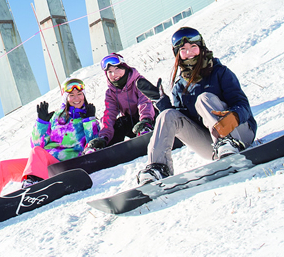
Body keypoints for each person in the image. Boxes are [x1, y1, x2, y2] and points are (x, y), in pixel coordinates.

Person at [137, 26, 258, 184]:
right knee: (166, 115)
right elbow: (183, 123)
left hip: (240, 133)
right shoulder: (179, 87)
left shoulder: (220, 72)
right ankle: (158, 167)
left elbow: (242, 104)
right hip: (212, 145)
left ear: (201, 48)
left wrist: (234, 116)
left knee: (204, 98)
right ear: (178, 54)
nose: (189, 53)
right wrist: (163, 104)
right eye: (184, 50)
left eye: (193, 47)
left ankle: (227, 141)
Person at [0, 77, 100, 208]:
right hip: (43, 164)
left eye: (79, 94)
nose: (76, 98)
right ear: (66, 97)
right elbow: (37, 145)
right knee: (4, 167)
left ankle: (34, 183)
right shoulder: (56, 117)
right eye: (72, 95)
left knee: (37, 153)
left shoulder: (87, 116)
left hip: (67, 164)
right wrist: (42, 122)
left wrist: (89, 120)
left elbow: (93, 143)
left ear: (84, 95)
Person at [85, 53, 155, 151]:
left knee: (152, 114)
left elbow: (144, 102)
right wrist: (104, 136)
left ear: (124, 68)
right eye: (110, 72)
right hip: (132, 124)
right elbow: (109, 114)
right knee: (119, 124)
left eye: (117, 69)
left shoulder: (138, 81)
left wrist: (145, 120)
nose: (114, 74)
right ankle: (103, 148)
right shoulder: (111, 93)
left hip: (150, 119)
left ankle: (147, 130)